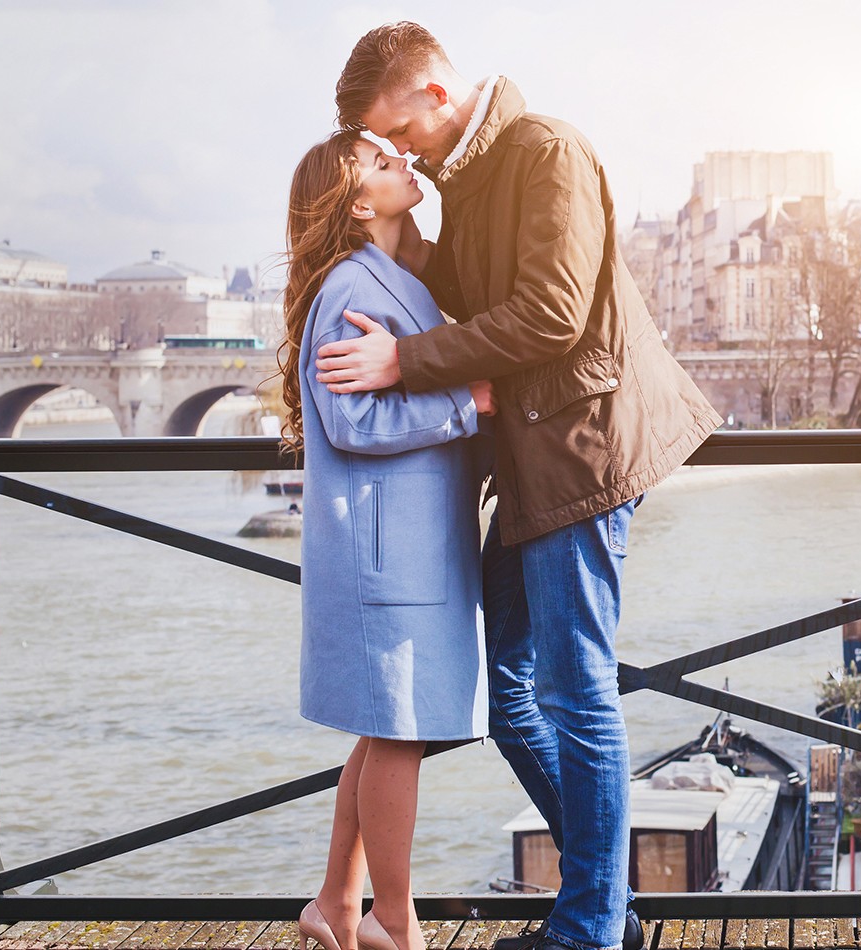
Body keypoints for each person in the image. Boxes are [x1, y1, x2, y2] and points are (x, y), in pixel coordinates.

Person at [315, 22, 720, 950]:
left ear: (434, 95)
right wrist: (389, 238)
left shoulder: (546, 151)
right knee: (512, 691)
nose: (402, 150)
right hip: (542, 462)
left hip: (580, 455)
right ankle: (604, 907)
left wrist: (402, 362)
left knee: (574, 694)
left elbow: (551, 312)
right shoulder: (474, 178)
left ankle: (588, 932)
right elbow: (472, 293)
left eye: (401, 133)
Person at [279, 130, 497, 950]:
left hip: (405, 540)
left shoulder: (393, 277)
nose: (401, 161)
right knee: (401, 732)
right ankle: (394, 922)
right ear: (357, 203)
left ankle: (337, 903)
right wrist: (471, 406)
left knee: (384, 729)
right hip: (388, 550)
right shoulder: (351, 285)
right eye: (380, 162)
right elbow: (351, 418)